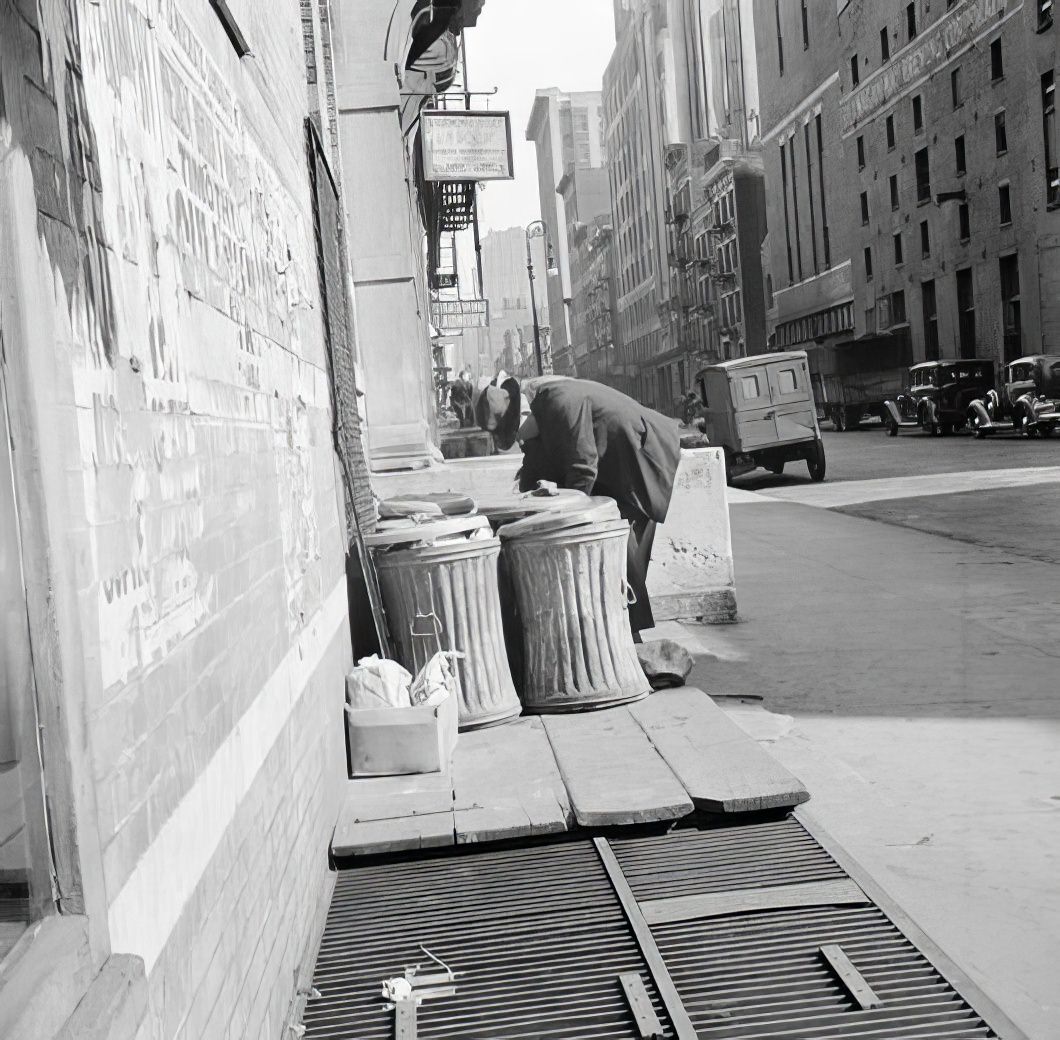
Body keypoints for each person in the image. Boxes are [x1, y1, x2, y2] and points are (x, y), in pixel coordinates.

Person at [476, 376, 680, 636]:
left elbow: (582, 470)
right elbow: (535, 466)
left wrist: (560, 521)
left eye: (514, 435)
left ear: (523, 416)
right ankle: (619, 631)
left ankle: (626, 636)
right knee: (613, 554)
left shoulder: (560, 404)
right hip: (610, 464)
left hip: (639, 457)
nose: (518, 442)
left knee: (618, 549)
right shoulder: (541, 417)